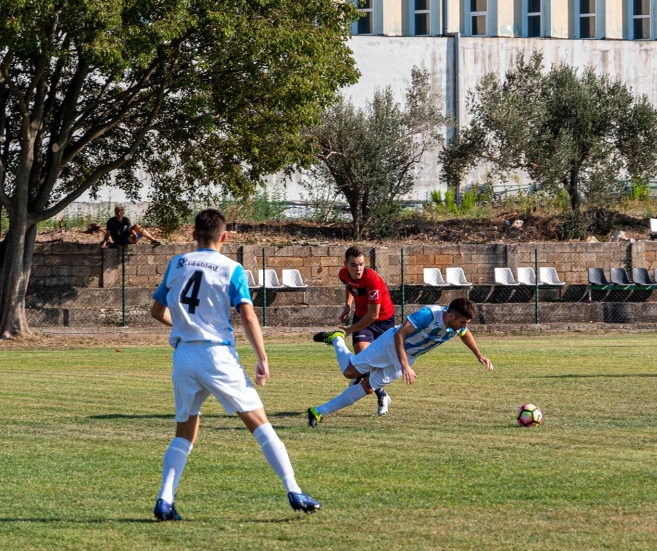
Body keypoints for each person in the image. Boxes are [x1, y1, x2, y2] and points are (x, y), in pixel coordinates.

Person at [149, 209, 320, 521]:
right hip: (216, 356)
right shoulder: (232, 268)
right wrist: (262, 358)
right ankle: (294, 490)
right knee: (260, 423)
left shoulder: (177, 263)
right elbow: (248, 315)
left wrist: (187, 327)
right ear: (224, 237)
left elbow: (157, 311)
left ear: (193, 234)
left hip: (183, 356)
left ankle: (165, 499)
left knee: (184, 431)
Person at [306, 298, 493, 426]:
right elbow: (400, 334)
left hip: (408, 356)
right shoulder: (428, 314)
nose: (465, 326)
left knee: (368, 387)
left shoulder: (457, 326)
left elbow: (465, 334)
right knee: (349, 372)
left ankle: (318, 411)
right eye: (463, 322)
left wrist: (479, 355)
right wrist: (404, 366)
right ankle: (337, 338)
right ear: (451, 316)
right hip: (390, 344)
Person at [312, 246, 395, 416]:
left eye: (361, 264)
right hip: (362, 319)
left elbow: (373, 314)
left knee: (373, 363)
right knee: (363, 358)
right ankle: (382, 395)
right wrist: (347, 305)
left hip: (383, 322)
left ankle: (361, 378)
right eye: (354, 265)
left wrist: (349, 330)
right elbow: (350, 286)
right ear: (345, 264)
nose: (358, 268)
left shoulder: (372, 280)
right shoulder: (343, 274)